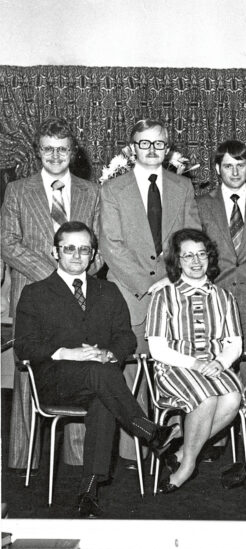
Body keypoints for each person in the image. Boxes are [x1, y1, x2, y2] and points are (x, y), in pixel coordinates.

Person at [13, 222, 177, 517]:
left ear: (93, 255)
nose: (77, 255)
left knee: (102, 397)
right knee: (100, 376)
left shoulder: (108, 291)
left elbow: (125, 337)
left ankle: (88, 490)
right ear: (55, 252)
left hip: (103, 383)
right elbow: (24, 347)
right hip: (56, 380)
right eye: (69, 248)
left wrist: (110, 353)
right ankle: (147, 430)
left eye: (84, 249)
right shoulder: (35, 293)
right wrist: (67, 353)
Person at [1, 117, 101, 475]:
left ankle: (76, 457)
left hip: (79, 292)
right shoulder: (17, 190)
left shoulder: (92, 192)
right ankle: (23, 455)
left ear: (72, 153)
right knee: (30, 370)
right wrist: (54, 276)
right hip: (31, 292)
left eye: (62, 149)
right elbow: (8, 242)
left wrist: (78, 274)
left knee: (76, 364)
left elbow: (99, 246)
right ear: (38, 152)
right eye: (47, 149)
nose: (55, 155)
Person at [100, 118, 201, 466]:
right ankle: (135, 454)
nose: (152, 150)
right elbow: (110, 246)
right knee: (131, 372)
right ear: (132, 149)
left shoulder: (183, 187)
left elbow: (192, 239)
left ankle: (172, 449)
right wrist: (149, 284)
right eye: (145, 144)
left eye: (159, 144)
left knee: (170, 370)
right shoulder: (113, 190)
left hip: (173, 293)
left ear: (168, 149)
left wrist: (172, 279)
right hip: (129, 295)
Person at [146, 229, 246, 493]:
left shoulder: (224, 297)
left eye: (201, 254)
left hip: (213, 364)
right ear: (177, 261)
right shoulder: (164, 296)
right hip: (175, 366)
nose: (196, 261)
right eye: (187, 256)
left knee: (233, 399)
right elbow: (157, 348)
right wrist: (195, 364)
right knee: (206, 398)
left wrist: (221, 363)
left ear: (209, 258)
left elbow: (234, 344)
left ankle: (180, 449)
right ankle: (187, 466)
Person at [196, 140, 246, 459]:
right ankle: (214, 440)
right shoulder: (202, 204)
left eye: (241, 166)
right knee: (217, 366)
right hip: (216, 298)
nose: (235, 172)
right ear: (217, 168)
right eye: (228, 166)